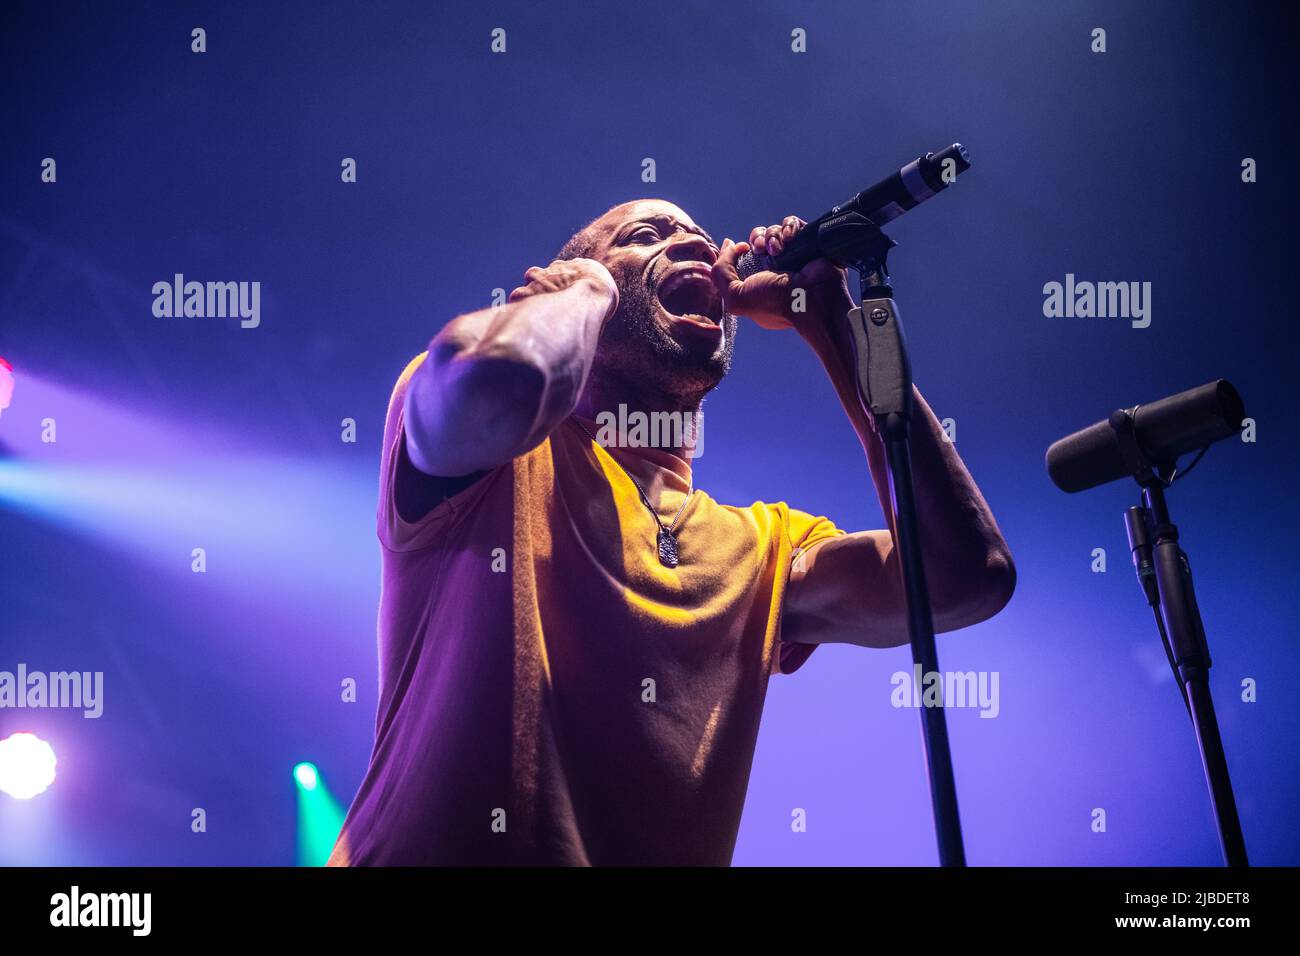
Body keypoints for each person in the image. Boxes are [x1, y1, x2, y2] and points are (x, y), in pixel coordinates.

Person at [328, 199, 1014, 866]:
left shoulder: (763, 547)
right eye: (644, 234)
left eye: (697, 236)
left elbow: (963, 574)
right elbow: (495, 379)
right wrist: (586, 290)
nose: (692, 244)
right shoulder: (502, 457)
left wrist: (825, 315)